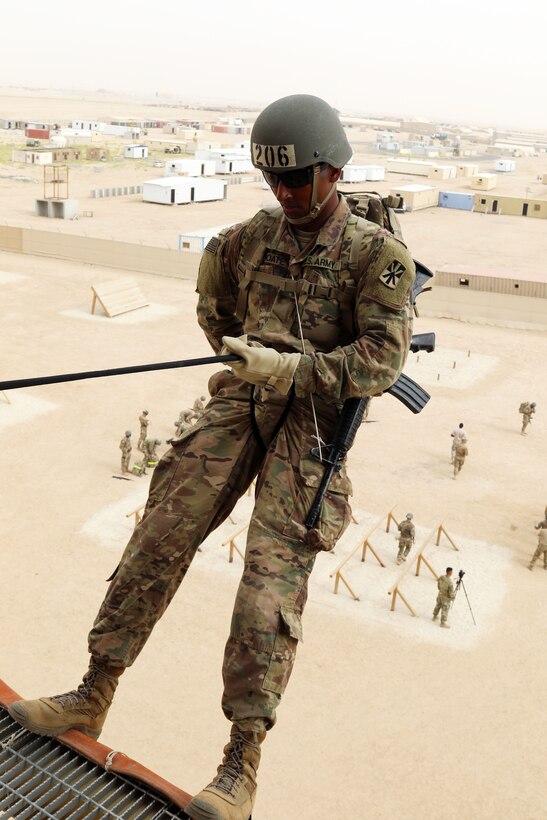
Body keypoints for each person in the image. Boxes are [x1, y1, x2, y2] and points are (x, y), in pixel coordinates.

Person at [8, 94, 416, 820]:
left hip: (311, 427)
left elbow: (380, 362)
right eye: (275, 181)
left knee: (266, 590)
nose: (286, 194)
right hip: (241, 404)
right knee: (155, 538)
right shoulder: (244, 240)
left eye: (299, 180)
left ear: (333, 170)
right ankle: (94, 691)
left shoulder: (375, 256)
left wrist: (288, 370)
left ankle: (240, 763)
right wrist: (247, 362)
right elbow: (215, 310)